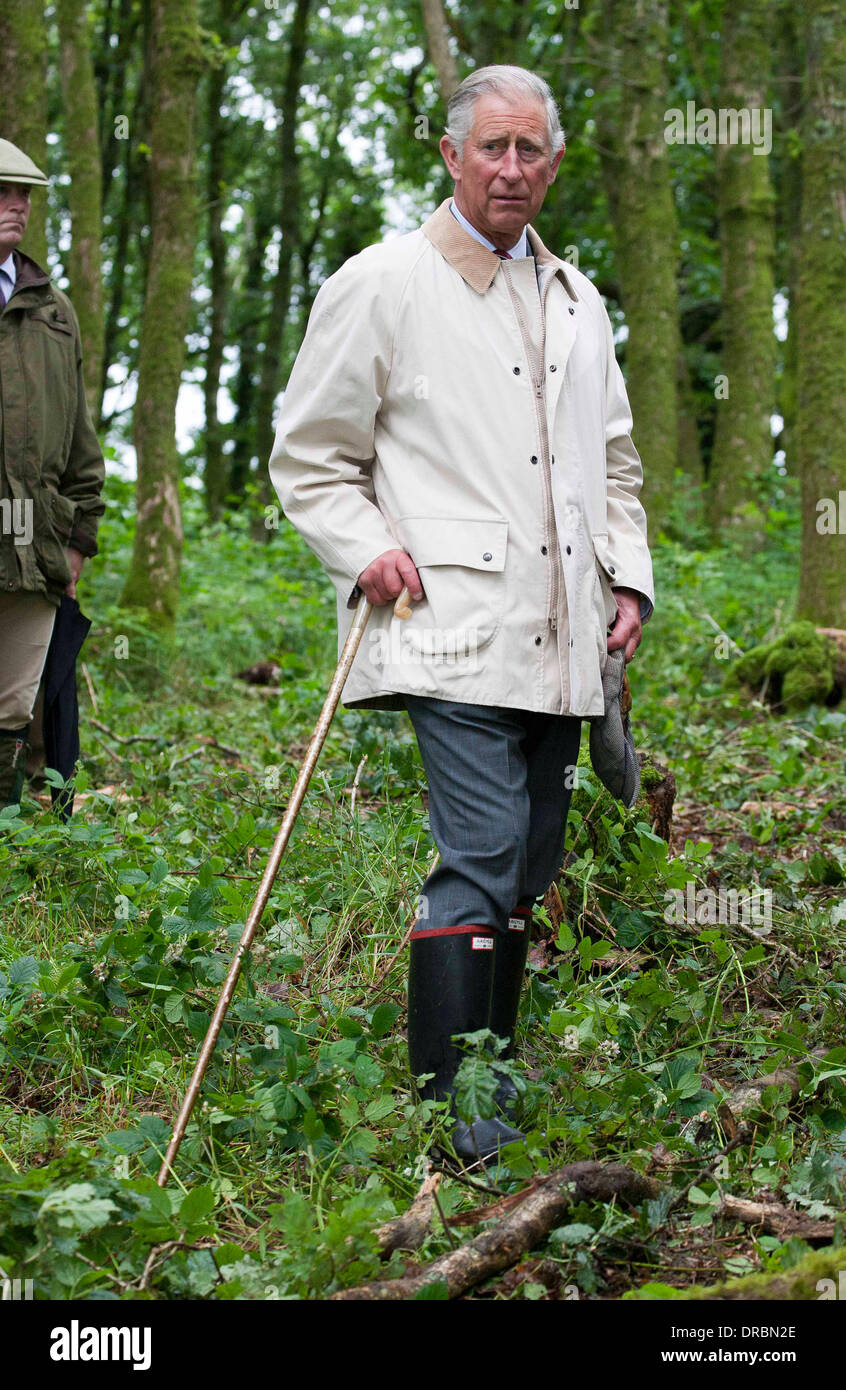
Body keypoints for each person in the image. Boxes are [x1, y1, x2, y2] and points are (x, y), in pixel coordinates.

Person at [269, 66, 654, 1160]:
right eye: (492, 148)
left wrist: (628, 579)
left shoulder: (579, 299)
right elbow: (309, 457)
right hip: (447, 625)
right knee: (481, 849)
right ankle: (458, 1120)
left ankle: (496, 1072)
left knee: (530, 862)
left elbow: (615, 466)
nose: (512, 169)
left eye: (532, 149)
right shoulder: (384, 283)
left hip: (565, 635)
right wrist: (366, 548)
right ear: (450, 156)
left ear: (556, 161)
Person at [0, 139, 105, 810]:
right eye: (1, 194)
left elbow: (79, 445)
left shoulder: (53, 312)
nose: (15, 206)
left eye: (23, 195)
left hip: (31, 552)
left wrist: (77, 538)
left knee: (14, 708)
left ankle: (11, 858)